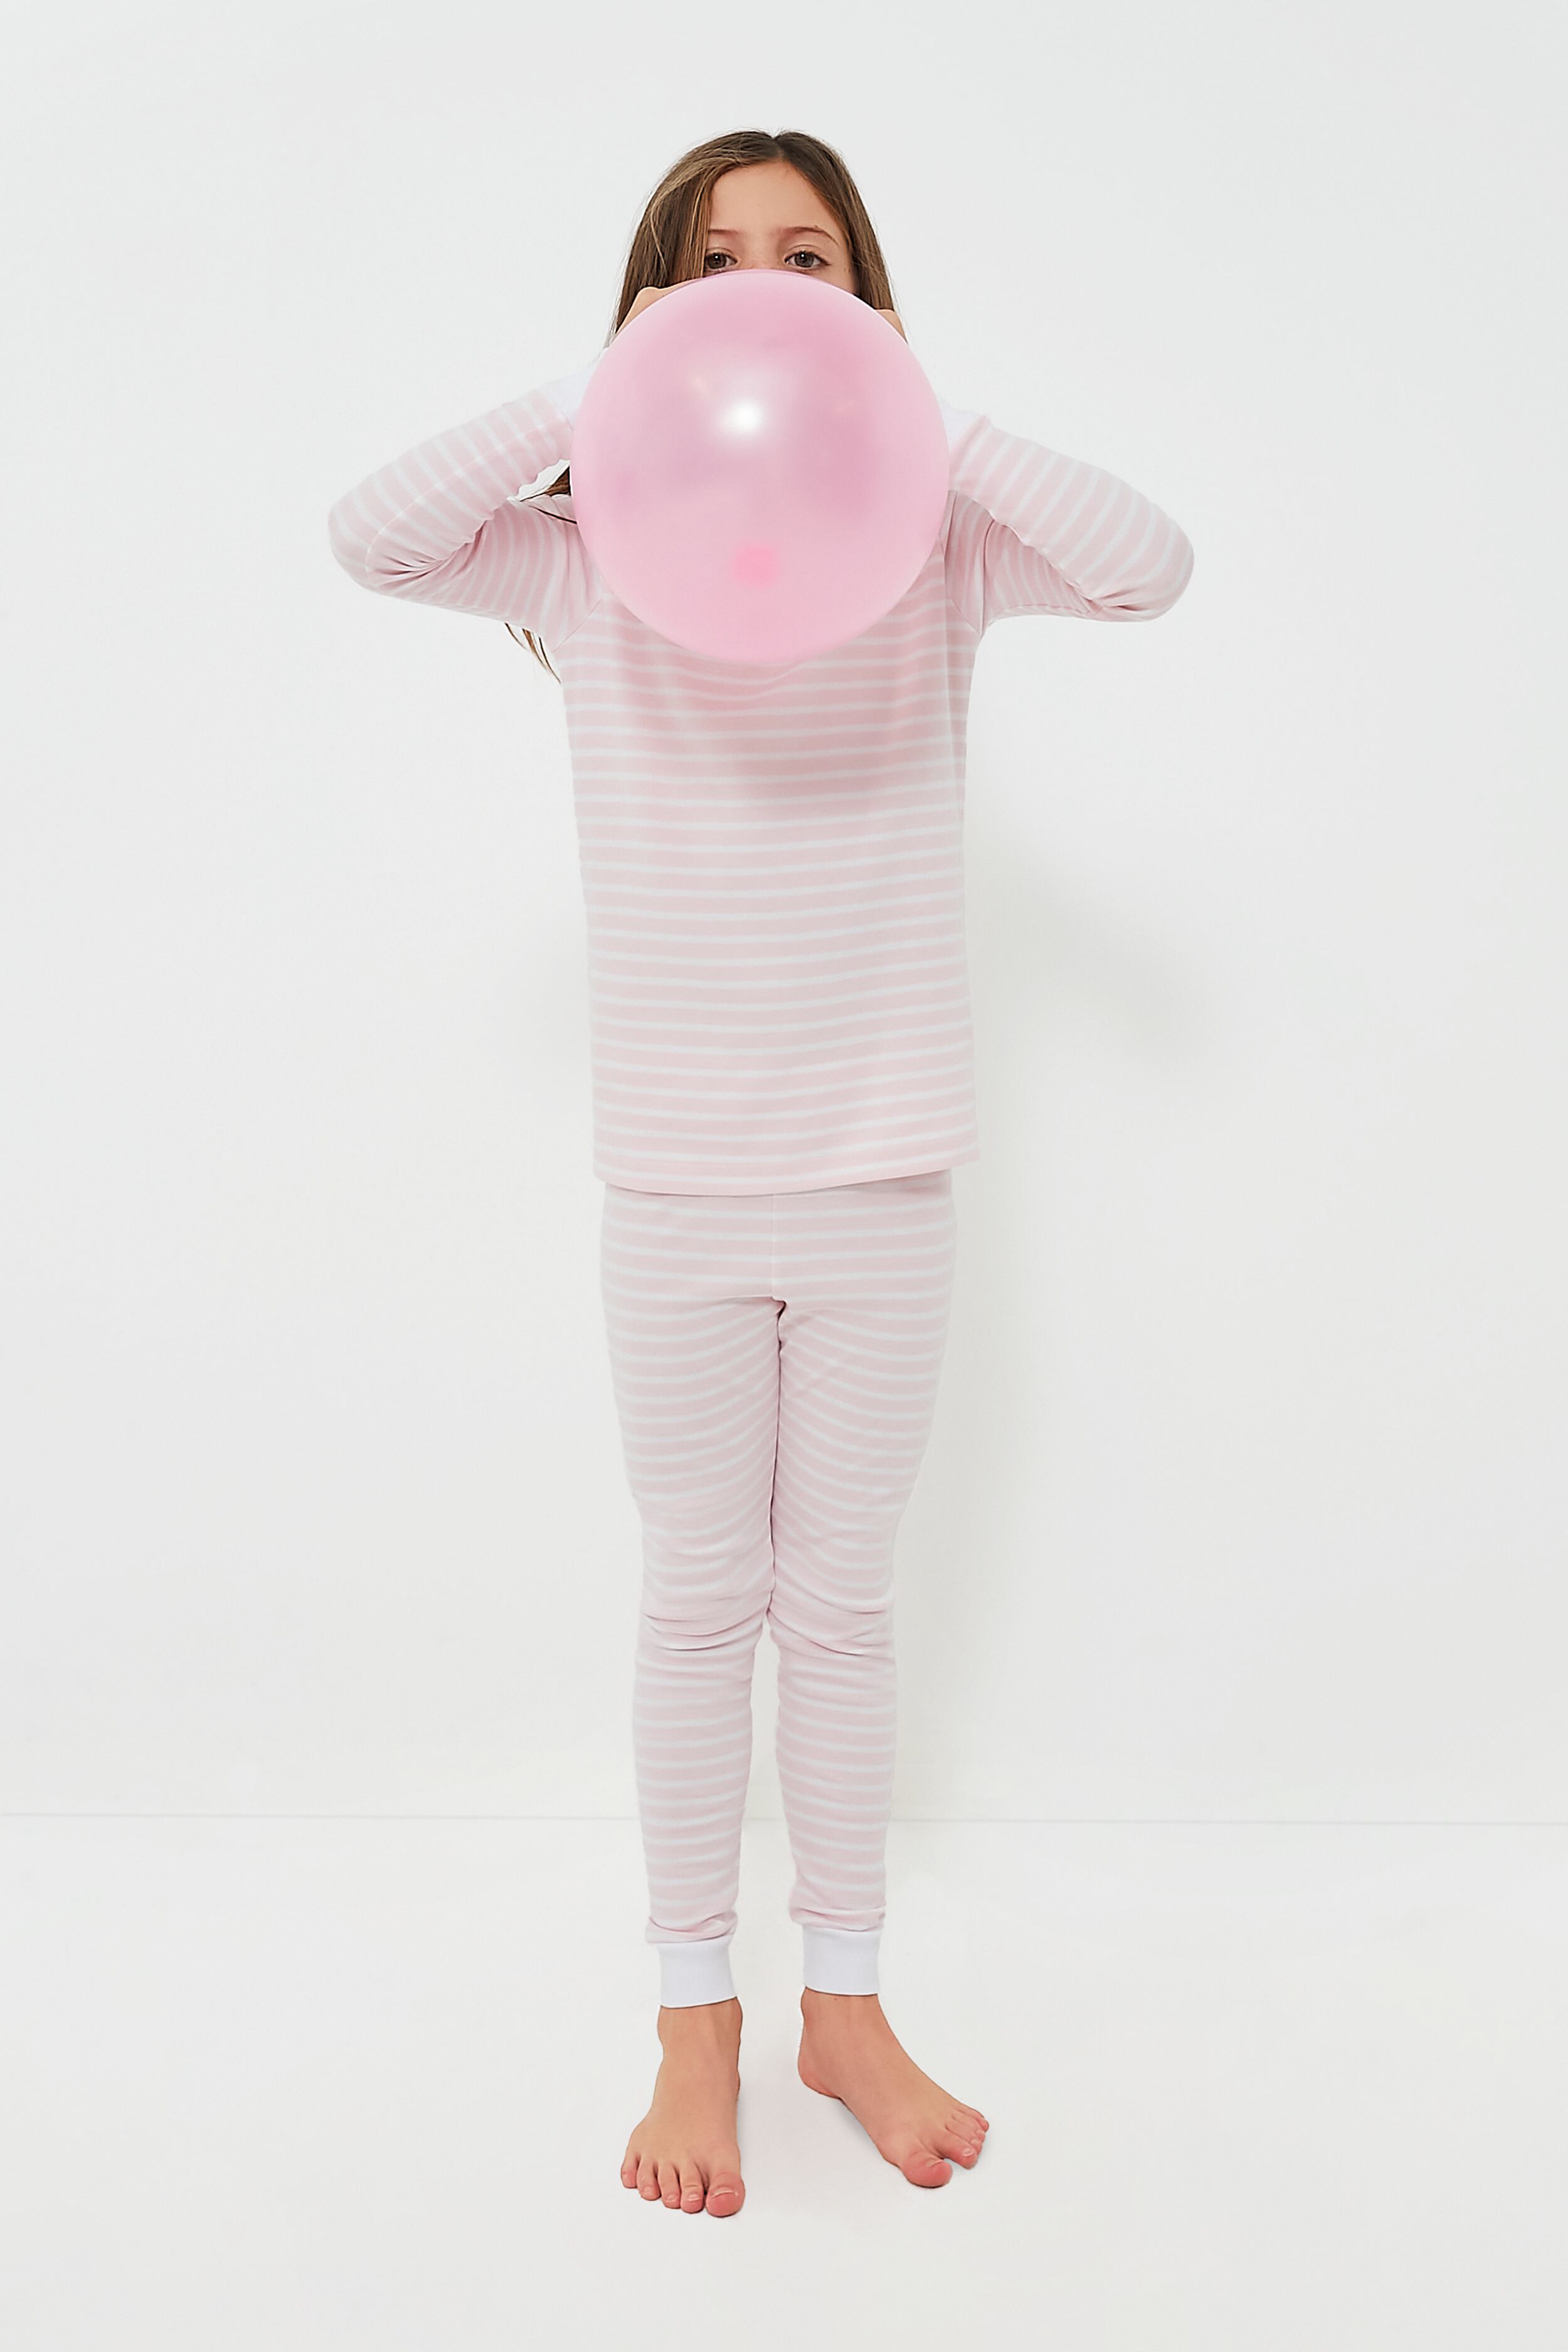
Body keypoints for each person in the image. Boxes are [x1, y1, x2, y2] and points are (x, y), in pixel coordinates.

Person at [326, 125, 1194, 2220]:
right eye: (718, 261)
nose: (764, 293)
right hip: (678, 1185)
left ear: (865, 295)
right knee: (702, 1601)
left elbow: (1146, 567)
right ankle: (691, 2017)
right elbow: (369, 540)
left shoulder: (934, 545)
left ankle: (848, 2007)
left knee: (847, 1606)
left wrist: (920, 412)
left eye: (808, 260)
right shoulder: (584, 557)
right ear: (653, 296)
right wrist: (588, 394)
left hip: (887, 1173)